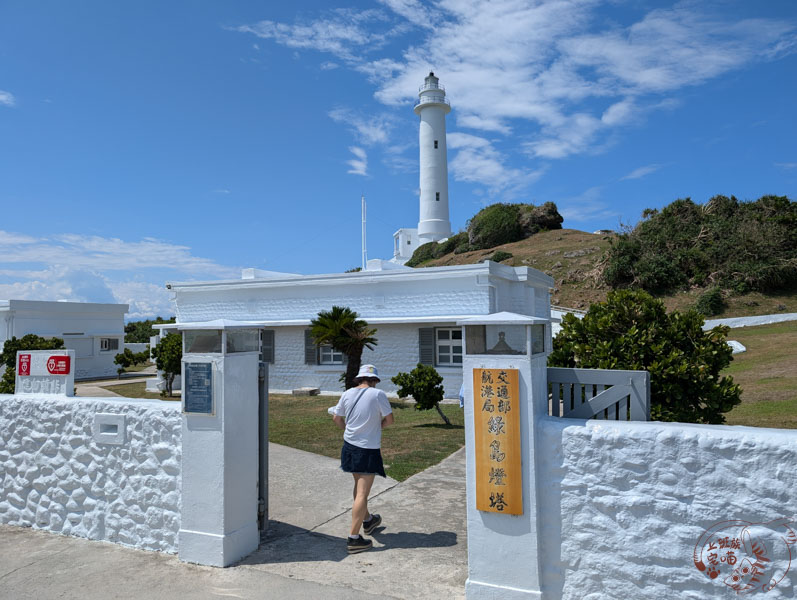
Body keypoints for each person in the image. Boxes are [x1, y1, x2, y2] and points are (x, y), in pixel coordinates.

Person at [329, 364, 394, 554]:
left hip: (349, 447)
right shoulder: (378, 394)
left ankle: (368, 520)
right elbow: (390, 419)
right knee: (362, 493)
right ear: (374, 380)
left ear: (359, 378)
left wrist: (347, 429)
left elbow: (336, 418)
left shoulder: (347, 393)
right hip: (367, 449)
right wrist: (378, 426)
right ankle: (354, 538)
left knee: (358, 487)